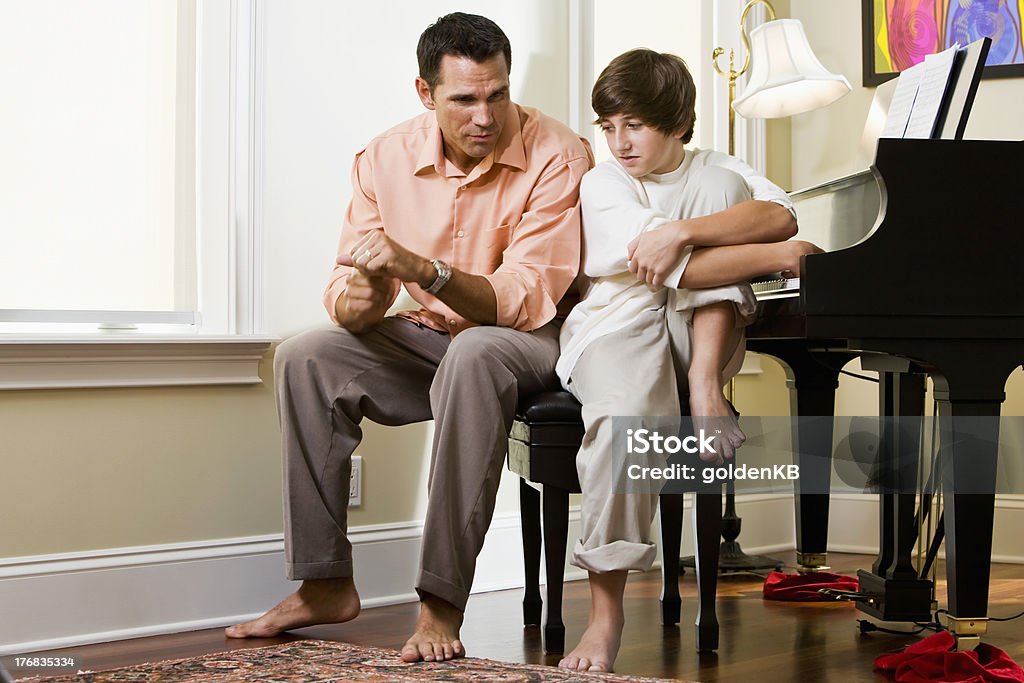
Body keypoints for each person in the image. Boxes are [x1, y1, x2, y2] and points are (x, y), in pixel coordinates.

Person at [225, 13, 593, 664]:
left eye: (498, 94)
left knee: (476, 351)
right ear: (426, 94)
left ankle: (440, 603)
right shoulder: (383, 157)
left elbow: (521, 297)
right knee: (305, 355)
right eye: (465, 99)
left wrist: (424, 269)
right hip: (429, 339)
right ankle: (324, 581)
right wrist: (359, 304)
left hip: (529, 340)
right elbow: (347, 281)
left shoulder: (558, 154)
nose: (485, 115)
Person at [555, 48, 819, 673]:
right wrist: (775, 255)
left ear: (677, 123)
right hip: (619, 327)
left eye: (635, 125)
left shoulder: (717, 170)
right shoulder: (603, 182)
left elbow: (779, 214)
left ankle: (703, 387)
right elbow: (710, 263)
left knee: (720, 191)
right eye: (608, 126)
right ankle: (605, 615)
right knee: (626, 418)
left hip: (696, 332)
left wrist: (683, 229)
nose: (618, 142)